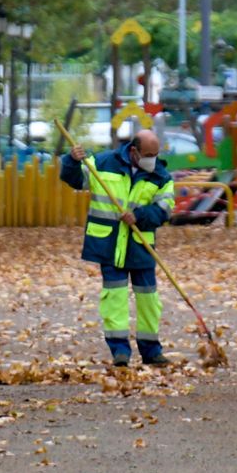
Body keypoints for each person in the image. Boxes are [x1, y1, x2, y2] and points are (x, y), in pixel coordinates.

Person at [60, 129, 175, 367]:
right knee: (115, 298)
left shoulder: (161, 176)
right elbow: (74, 178)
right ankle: (120, 352)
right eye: (148, 154)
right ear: (134, 151)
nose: (152, 159)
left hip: (140, 246)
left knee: (149, 300)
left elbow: (165, 209)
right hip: (109, 245)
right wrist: (71, 160)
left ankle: (151, 350)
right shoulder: (102, 163)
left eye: (155, 154)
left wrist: (140, 216)